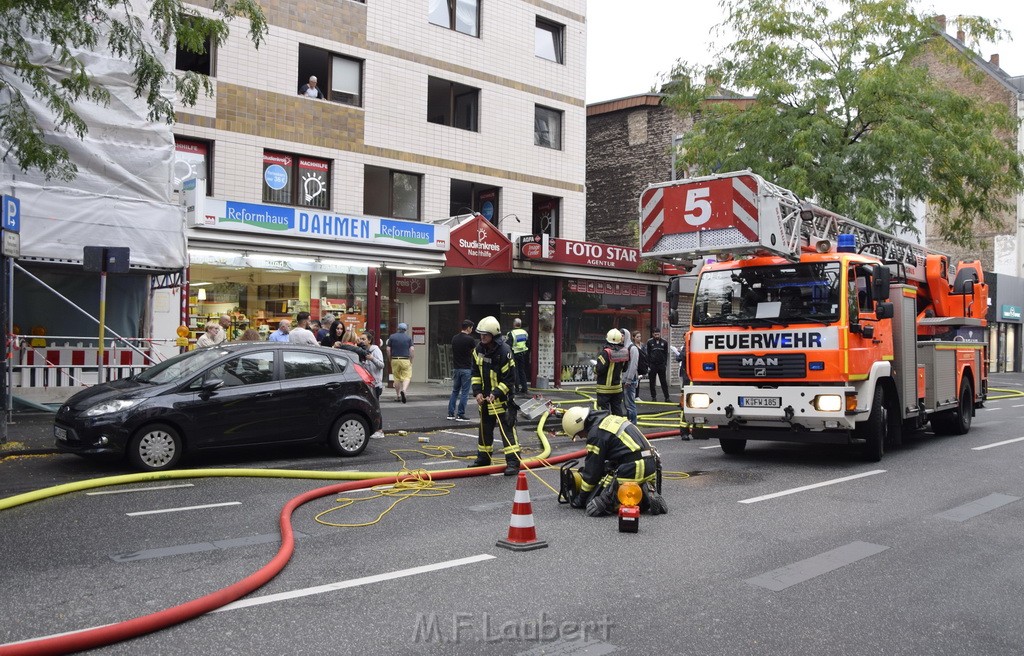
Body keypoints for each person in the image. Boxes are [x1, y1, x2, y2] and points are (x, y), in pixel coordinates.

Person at [560, 406, 667, 517]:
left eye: (579, 434)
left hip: (632, 468)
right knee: (608, 475)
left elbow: (592, 472)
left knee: (592, 503)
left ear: (580, 426)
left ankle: (613, 501)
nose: (581, 437)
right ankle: (649, 491)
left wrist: (581, 499)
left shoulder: (595, 434)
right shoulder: (609, 419)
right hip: (649, 464)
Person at [469, 316, 521, 476]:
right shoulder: (478, 350)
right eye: (480, 334)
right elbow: (475, 373)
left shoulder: (504, 352)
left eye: (485, 334)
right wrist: (477, 392)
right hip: (485, 400)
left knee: (507, 433)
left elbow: (509, 380)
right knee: (484, 431)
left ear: (493, 334)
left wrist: (496, 393)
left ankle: (513, 463)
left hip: (502, 401)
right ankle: (483, 459)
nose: (482, 337)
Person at [594, 328, 628, 417]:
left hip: (604, 388)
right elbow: (624, 369)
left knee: (603, 413)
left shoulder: (605, 353)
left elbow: (599, 369)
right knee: (617, 410)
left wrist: (595, 370)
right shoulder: (624, 352)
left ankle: (604, 430)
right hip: (617, 388)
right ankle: (618, 429)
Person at [447, 319, 476, 421]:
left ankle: (450, 414)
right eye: (471, 328)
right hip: (466, 368)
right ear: (468, 328)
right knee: (465, 392)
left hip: (456, 368)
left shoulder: (454, 338)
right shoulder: (470, 340)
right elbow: (475, 352)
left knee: (455, 391)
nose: (472, 329)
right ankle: (460, 414)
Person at [360, 331, 386, 439]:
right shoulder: (363, 351)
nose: (361, 341)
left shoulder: (375, 350)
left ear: (369, 340)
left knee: (376, 407)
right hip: (367, 384)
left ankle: (380, 430)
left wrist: (372, 359)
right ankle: (374, 429)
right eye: (360, 339)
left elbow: (381, 365)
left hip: (375, 384)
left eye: (363, 339)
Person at [387, 322, 414, 403]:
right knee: (407, 376)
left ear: (398, 328)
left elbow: (388, 349)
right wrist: (411, 360)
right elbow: (412, 349)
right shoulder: (408, 338)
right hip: (405, 359)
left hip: (395, 359)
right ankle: (404, 390)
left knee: (396, 378)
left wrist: (390, 359)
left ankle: (398, 395)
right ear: (405, 329)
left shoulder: (392, 337)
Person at [646, 328, 671, 402]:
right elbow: (648, 354)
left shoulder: (664, 342)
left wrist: (665, 364)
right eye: (655, 334)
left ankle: (667, 397)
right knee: (652, 382)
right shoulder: (649, 342)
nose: (657, 335)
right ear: (653, 334)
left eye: (658, 334)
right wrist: (649, 364)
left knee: (663, 382)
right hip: (653, 365)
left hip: (661, 365)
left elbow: (666, 354)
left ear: (660, 334)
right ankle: (653, 397)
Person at [507, 318, 530, 394]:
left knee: (515, 371)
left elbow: (508, 345)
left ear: (514, 324)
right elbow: (528, 344)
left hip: (514, 354)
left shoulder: (511, 333)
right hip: (522, 354)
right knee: (522, 371)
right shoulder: (525, 332)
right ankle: (524, 388)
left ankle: (516, 388)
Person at [621, 329, 640, 424]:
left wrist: (628, 380)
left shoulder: (632, 348)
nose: (621, 338)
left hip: (630, 380)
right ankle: (630, 422)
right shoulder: (623, 348)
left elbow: (633, 365)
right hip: (624, 380)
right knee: (626, 404)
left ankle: (633, 423)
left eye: (622, 336)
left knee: (630, 404)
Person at [633, 330, 645, 400]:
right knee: (634, 380)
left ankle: (637, 395)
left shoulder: (642, 345)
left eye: (640, 336)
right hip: (635, 364)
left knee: (638, 380)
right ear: (634, 337)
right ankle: (633, 395)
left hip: (641, 364)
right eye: (637, 337)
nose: (639, 338)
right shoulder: (632, 346)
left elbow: (645, 354)